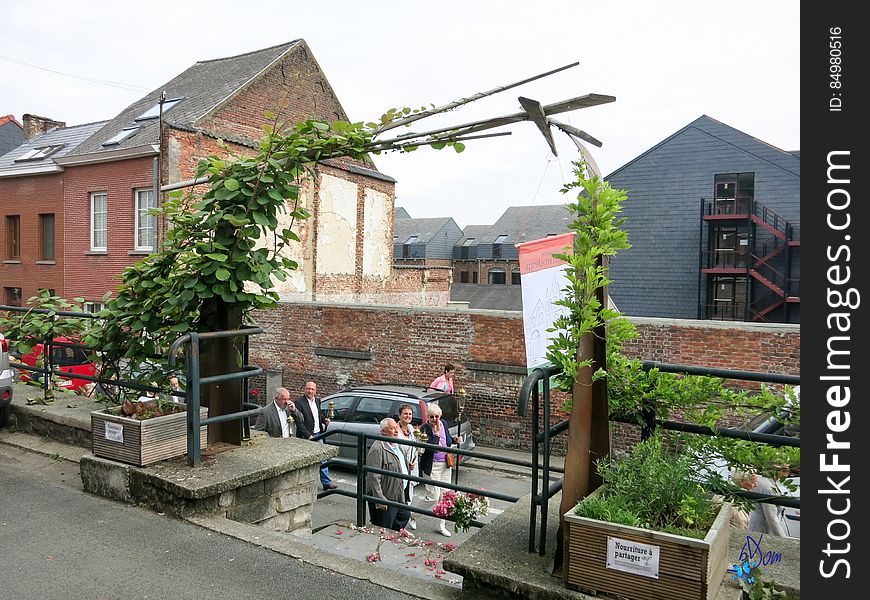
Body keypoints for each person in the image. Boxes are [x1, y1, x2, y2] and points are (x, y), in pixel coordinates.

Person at [419, 402, 461, 537]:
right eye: (431, 417)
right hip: (432, 466)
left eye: (437, 416)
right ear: (428, 417)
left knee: (445, 495)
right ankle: (411, 513)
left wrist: (455, 440)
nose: (435, 419)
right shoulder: (424, 429)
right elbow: (430, 447)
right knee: (433, 496)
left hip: (445, 464)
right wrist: (436, 434)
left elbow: (447, 441)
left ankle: (441, 525)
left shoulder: (444, 423)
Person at [365, 418, 412, 531]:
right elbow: (373, 477)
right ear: (383, 431)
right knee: (384, 527)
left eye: (396, 427)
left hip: (399, 494)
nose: (396, 431)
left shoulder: (397, 445)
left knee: (404, 515)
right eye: (392, 428)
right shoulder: (378, 448)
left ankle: (392, 537)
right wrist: (380, 499)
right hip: (386, 497)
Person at [296, 380, 336, 490]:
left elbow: (318, 414)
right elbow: (298, 422)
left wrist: (324, 420)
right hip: (307, 436)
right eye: (308, 388)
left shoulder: (317, 401)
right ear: (305, 389)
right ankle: (304, 483)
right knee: (305, 460)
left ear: (315, 390)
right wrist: (307, 435)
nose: (310, 391)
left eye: (312, 389)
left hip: (318, 433)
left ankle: (326, 482)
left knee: (323, 458)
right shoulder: (299, 402)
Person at [730, 469, 787, 536]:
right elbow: (772, 519)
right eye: (753, 482)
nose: (756, 485)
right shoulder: (735, 501)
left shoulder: (744, 497)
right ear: (742, 481)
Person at [395, 403, 420, 530]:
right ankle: (400, 523)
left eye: (410, 414)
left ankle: (404, 523)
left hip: (411, 466)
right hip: (400, 467)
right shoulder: (395, 430)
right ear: (399, 415)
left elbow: (416, 448)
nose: (408, 416)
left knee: (409, 494)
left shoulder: (411, 429)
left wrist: (414, 461)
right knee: (400, 495)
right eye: (405, 413)